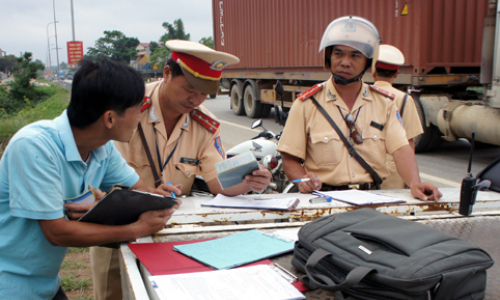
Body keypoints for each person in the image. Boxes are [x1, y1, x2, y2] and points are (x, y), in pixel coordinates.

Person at [91, 40, 273, 300]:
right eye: (189, 89)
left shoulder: (205, 123)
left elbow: (218, 181)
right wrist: (148, 194)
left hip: (170, 235)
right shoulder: (127, 108)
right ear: (166, 73)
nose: (195, 100)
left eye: (204, 94)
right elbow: (103, 178)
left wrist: (250, 182)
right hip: (117, 231)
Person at [0, 59, 180, 300]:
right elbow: (57, 233)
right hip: (11, 283)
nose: (140, 119)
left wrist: (152, 199)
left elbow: (139, 192)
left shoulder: (101, 149)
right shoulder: (34, 147)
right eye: (137, 110)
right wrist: (135, 228)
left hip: (46, 282)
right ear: (110, 119)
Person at [276, 16, 442, 201]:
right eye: (338, 54)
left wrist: (415, 183)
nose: (345, 62)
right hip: (324, 200)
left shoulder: (384, 103)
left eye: (355, 55)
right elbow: (290, 159)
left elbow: (401, 149)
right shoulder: (307, 104)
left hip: (371, 199)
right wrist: (302, 179)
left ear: (368, 62)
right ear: (329, 57)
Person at [373, 44, 424, 189]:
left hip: (365, 167)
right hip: (393, 170)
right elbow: (409, 141)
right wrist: (410, 179)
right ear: (396, 74)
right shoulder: (404, 99)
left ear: (373, 72)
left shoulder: (362, 95)